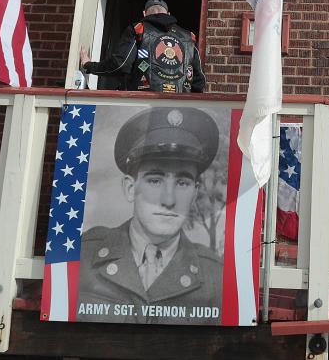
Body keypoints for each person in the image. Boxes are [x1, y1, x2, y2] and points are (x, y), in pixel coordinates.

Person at [77, 107, 224, 324]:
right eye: (155, 180)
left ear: (194, 192)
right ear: (130, 188)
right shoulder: (84, 255)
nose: (169, 199)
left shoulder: (215, 276)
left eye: (183, 183)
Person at [79, 0, 206, 92]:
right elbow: (199, 81)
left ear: (144, 13)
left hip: (141, 103)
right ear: (168, 14)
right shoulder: (189, 37)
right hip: (179, 107)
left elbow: (120, 64)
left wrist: (89, 65)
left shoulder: (138, 29)